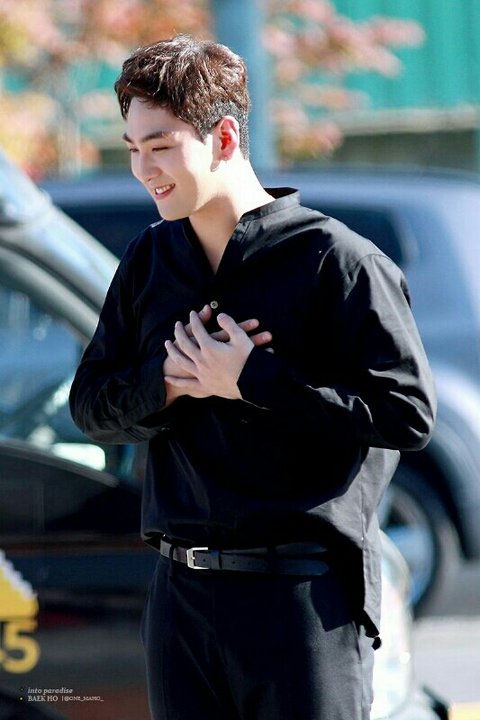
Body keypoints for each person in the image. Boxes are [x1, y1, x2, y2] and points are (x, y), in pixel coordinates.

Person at [69, 34, 436, 720]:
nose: (144, 169)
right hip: (178, 601)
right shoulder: (148, 261)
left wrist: (252, 380)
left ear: (225, 138)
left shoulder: (338, 261)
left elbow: (406, 415)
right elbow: (89, 404)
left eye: (160, 146)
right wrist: (170, 379)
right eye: (133, 148)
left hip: (302, 603)